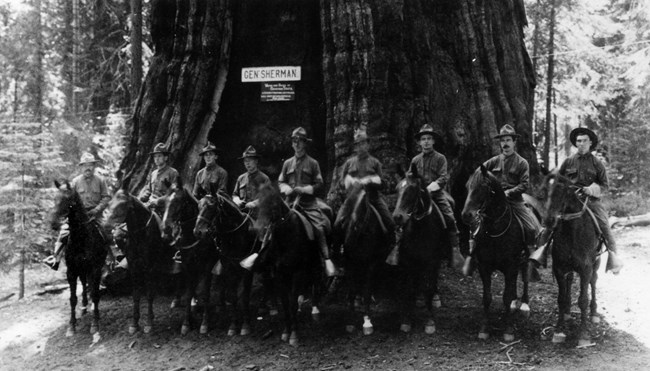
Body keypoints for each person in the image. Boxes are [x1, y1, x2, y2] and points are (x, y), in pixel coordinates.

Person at [531, 127, 623, 274]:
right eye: (578, 141)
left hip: (591, 201)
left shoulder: (597, 163)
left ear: (590, 142)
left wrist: (591, 189)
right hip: (568, 200)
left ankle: (614, 259)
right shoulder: (568, 162)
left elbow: (605, 186)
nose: (581, 144)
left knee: (604, 225)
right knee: (549, 224)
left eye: (584, 141)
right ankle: (539, 255)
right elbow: (558, 182)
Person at [464, 124, 542, 278]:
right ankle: (472, 256)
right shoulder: (493, 161)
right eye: (502, 141)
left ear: (514, 142)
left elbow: (524, 185)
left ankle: (530, 260)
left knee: (531, 227)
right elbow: (478, 174)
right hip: (494, 201)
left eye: (508, 140)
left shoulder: (522, 162)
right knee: (476, 224)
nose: (505, 144)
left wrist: (509, 192)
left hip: (515, 201)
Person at [278, 127, 337, 277]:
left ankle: (327, 259)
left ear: (305, 144)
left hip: (308, 203)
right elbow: (281, 181)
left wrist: (305, 189)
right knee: (273, 225)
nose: (296, 144)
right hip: (289, 202)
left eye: (300, 141)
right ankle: (261, 256)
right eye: (294, 141)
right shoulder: (287, 163)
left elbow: (319, 184)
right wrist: (286, 188)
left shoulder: (313, 163)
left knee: (318, 227)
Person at [333, 127, 396, 258]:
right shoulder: (349, 163)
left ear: (368, 144)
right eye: (357, 144)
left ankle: (391, 253)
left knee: (389, 222)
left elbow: (383, 183)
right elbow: (340, 183)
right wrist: (348, 180)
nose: (360, 146)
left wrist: (371, 180)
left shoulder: (375, 162)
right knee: (338, 223)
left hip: (373, 198)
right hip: (352, 200)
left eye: (363, 143)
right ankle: (337, 255)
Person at [43, 152, 112, 270]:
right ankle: (55, 258)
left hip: (96, 215)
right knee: (64, 232)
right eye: (85, 165)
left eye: (90, 165)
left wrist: (96, 210)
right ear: (81, 167)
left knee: (107, 231)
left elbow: (106, 197)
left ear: (94, 166)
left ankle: (114, 260)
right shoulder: (75, 182)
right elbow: (68, 199)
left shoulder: (101, 180)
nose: (88, 168)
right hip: (79, 216)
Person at [408, 124, 463, 269]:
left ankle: (454, 250)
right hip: (418, 194)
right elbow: (410, 177)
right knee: (403, 214)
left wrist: (430, 188)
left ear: (433, 141)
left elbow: (443, 178)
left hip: (436, 193)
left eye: (429, 139)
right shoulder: (415, 160)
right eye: (423, 139)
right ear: (419, 142)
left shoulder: (440, 158)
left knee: (449, 216)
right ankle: (399, 245)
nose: (426, 142)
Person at [138, 143, 179, 217]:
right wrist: (140, 199)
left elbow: (175, 194)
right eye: (155, 156)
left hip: (164, 209)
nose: (156, 158)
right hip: (150, 206)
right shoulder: (153, 173)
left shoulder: (172, 173)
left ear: (165, 158)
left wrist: (157, 201)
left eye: (159, 156)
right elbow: (149, 190)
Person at [232, 145, 270, 215]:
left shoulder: (264, 178)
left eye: (250, 160)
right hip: (241, 214)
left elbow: (268, 198)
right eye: (245, 161)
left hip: (258, 215)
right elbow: (235, 194)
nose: (247, 163)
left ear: (256, 161)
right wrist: (237, 200)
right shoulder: (241, 178)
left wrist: (254, 203)